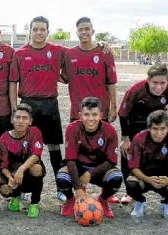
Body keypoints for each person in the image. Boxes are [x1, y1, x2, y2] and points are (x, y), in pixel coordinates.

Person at [10, 16, 112, 201]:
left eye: (42, 29)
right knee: (25, 146)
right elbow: (12, 82)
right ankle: (23, 187)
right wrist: (13, 108)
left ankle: (60, 188)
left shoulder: (58, 51)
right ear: (30, 32)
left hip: (50, 103)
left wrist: (103, 44)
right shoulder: (20, 53)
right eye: (35, 29)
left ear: (48, 32)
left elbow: (83, 49)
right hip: (28, 103)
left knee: (53, 146)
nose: (39, 33)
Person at [61, 17, 120, 203]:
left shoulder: (104, 52)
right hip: (78, 112)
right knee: (78, 152)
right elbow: (61, 76)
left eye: (87, 29)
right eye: (80, 29)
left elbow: (111, 81)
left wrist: (113, 106)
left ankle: (105, 192)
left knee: (101, 151)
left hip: (98, 113)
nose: (84, 32)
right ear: (76, 32)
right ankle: (80, 188)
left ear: (93, 31)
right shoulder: (68, 54)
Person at [118, 63, 168, 205]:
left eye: (163, 83)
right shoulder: (135, 90)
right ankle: (129, 191)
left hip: (159, 124)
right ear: (148, 80)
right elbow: (123, 114)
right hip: (136, 123)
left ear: (167, 81)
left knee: (167, 153)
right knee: (127, 153)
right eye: (155, 82)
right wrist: (125, 139)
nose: (159, 87)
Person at [56, 97, 122, 219]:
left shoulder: (110, 131)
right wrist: (78, 189)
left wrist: (91, 174)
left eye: (94, 114)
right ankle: (70, 200)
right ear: (80, 115)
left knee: (116, 178)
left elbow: (112, 161)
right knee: (61, 177)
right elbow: (70, 160)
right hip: (78, 167)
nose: (90, 119)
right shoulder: (72, 128)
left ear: (101, 115)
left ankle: (103, 200)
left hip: (99, 169)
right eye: (86, 114)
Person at [126, 110, 168, 221]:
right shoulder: (139, 138)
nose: (159, 133)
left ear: (167, 128)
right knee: (130, 183)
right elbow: (133, 167)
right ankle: (141, 201)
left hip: (165, 179)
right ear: (149, 128)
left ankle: (165, 203)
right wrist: (147, 179)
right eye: (155, 129)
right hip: (144, 177)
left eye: (163, 129)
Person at [0, 103, 44, 218]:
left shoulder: (35, 132)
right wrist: (9, 178)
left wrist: (21, 169)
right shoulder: (3, 139)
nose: (21, 121)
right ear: (12, 120)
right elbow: (2, 166)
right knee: (4, 189)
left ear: (30, 121)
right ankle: (14, 197)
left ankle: (34, 204)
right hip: (11, 174)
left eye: (25, 118)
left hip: (27, 173)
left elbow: (36, 155)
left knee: (37, 168)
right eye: (17, 117)